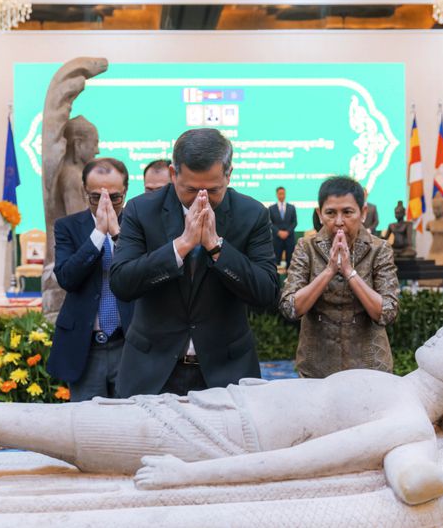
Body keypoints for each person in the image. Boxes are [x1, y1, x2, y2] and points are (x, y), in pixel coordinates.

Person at [0, 303, 443, 509]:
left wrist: (188, 477)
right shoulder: (397, 389)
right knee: (97, 424)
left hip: (229, 440)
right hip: (231, 404)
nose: (442, 333)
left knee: (91, 430)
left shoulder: (406, 424)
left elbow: (298, 466)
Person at [110, 128, 278, 397]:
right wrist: (181, 246)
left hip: (227, 372)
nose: (202, 198)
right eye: (190, 189)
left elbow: (266, 293)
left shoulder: (252, 214)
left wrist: (217, 247)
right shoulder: (141, 210)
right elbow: (122, 283)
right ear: (173, 174)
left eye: (213, 190)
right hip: (150, 370)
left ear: (229, 174)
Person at [280, 176, 399, 377]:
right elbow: (290, 307)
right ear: (319, 214)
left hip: (369, 367)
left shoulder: (380, 249)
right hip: (317, 366)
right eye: (330, 213)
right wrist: (328, 271)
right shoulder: (306, 247)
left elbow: (387, 312)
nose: (339, 222)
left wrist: (349, 272)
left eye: (347, 212)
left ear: (363, 213)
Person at [47, 158, 134, 401]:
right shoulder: (68, 226)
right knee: (87, 425)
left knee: (132, 423)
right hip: (86, 346)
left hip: (128, 342)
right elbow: (66, 278)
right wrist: (98, 234)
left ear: (125, 192)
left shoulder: (138, 226)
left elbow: (142, 273)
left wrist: (116, 236)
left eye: (114, 197)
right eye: (96, 196)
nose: (105, 203)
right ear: (85, 192)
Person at [268, 186, 297, 267]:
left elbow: (294, 222)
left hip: (289, 239)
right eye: (280, 194)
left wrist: (287, 232)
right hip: (277, 240)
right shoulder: (271, 208)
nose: (282, 195)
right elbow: (270, 223)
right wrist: (278, 232)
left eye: (283, 194)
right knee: (275, 263)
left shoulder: (291, 207)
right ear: (277, 195)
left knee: (291, 263)